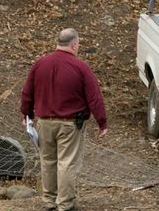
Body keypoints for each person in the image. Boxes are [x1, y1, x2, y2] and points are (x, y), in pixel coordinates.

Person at [21, 28, 108, 211]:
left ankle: (49, 201)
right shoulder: (80, 67)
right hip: (69, 124)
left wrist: (27, 115)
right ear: (74, 44)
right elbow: (94, 97)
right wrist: (102, 122)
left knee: (48, 161)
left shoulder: (40, 64)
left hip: (44, 122)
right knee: (67, 163)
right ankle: (65, 203)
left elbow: (27, 92)